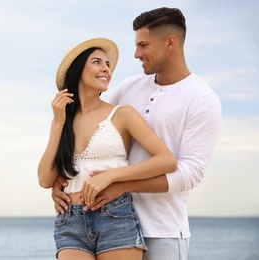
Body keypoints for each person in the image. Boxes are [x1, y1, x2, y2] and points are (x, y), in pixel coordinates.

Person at [51, 7, 222, 260]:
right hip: (108, 216)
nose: (136, 54)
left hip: (162, 230)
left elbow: (190, 174)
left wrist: (119, 185)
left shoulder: (202, 99)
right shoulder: (128, 87)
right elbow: (97, 137)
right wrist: (64, 181)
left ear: (170, 42)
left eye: (143, 45)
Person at [38, 37, 177, 260]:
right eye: (97, 62)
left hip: (115, 217)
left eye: (108, 65)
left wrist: (111, 177)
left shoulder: (122, 114)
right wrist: (57, 123)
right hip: (70, 222)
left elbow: (166, 160)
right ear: (77, 69)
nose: (106, 69)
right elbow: (45, 179)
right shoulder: (62, 120)